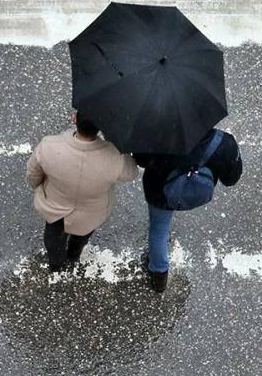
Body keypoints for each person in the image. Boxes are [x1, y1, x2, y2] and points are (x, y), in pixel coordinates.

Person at [25, 112, 138, 271]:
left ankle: (56, 264)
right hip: (91, 214)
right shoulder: (115, 156)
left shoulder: (49, 145)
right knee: (81, 236)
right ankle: (73, 255)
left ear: (74, 119)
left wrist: (38, 188)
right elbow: (131, 173)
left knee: (53, 238)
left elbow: (33, 173)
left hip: (54, 207)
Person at [134, 128, 242, 292]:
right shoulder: (225, 143)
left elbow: (140, 159)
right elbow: (231, 179)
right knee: (160, 230)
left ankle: (159, 278)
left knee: (158, 230)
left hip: (160, 192)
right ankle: (159, 277)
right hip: (194, 191)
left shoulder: (158, 135)